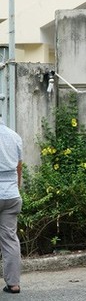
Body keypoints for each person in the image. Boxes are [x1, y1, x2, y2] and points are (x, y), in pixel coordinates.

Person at [0, 118, 23, 294]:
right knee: (10, 239)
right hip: (11, 195)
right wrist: (16, 187)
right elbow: (19, 168)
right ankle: (13, 284)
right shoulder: (14, 136)